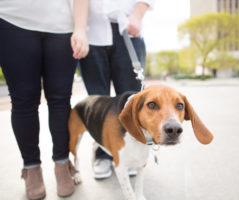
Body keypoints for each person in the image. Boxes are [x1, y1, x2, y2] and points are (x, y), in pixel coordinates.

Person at [0, 0, 89, 199]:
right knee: (23, 100)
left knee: (60, 100)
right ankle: (32, 169)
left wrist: (80, 28)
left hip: (62, 25)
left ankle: (62, 163)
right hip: (10, 19)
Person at [79, 0, 154, 179]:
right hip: (91, 31)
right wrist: (79, 29)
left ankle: (131, 154)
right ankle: (103, 153)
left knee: (131, 98)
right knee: (97, 101)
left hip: (128, 27)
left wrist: (137, 15)